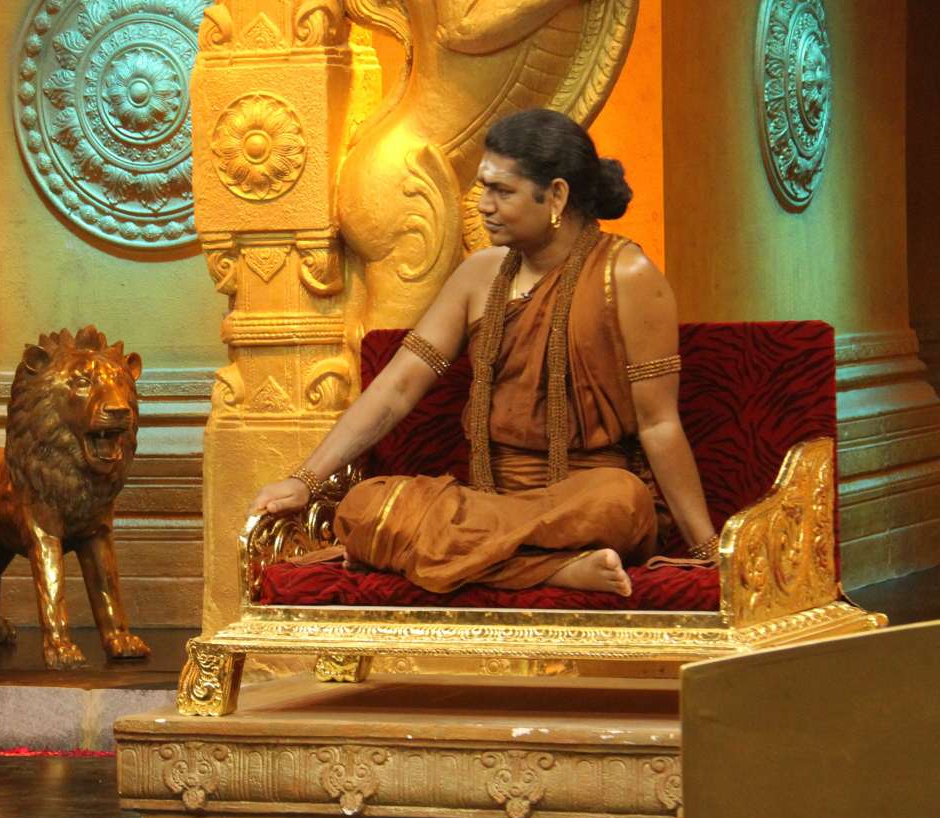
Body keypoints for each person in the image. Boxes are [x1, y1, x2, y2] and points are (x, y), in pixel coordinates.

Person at [251, 108, 717, 597]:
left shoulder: (626, 275)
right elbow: (398, 386)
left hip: (583, 502)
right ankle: (555, 569)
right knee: (364, 506)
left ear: (556, 195)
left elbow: (659, 425)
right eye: (483, 188)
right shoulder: (480, 274)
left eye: (502, 191)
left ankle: (467, 552)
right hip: (486, 500)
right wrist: (305, 480)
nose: (483, 206)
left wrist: (707, 549)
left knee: (622, 501)